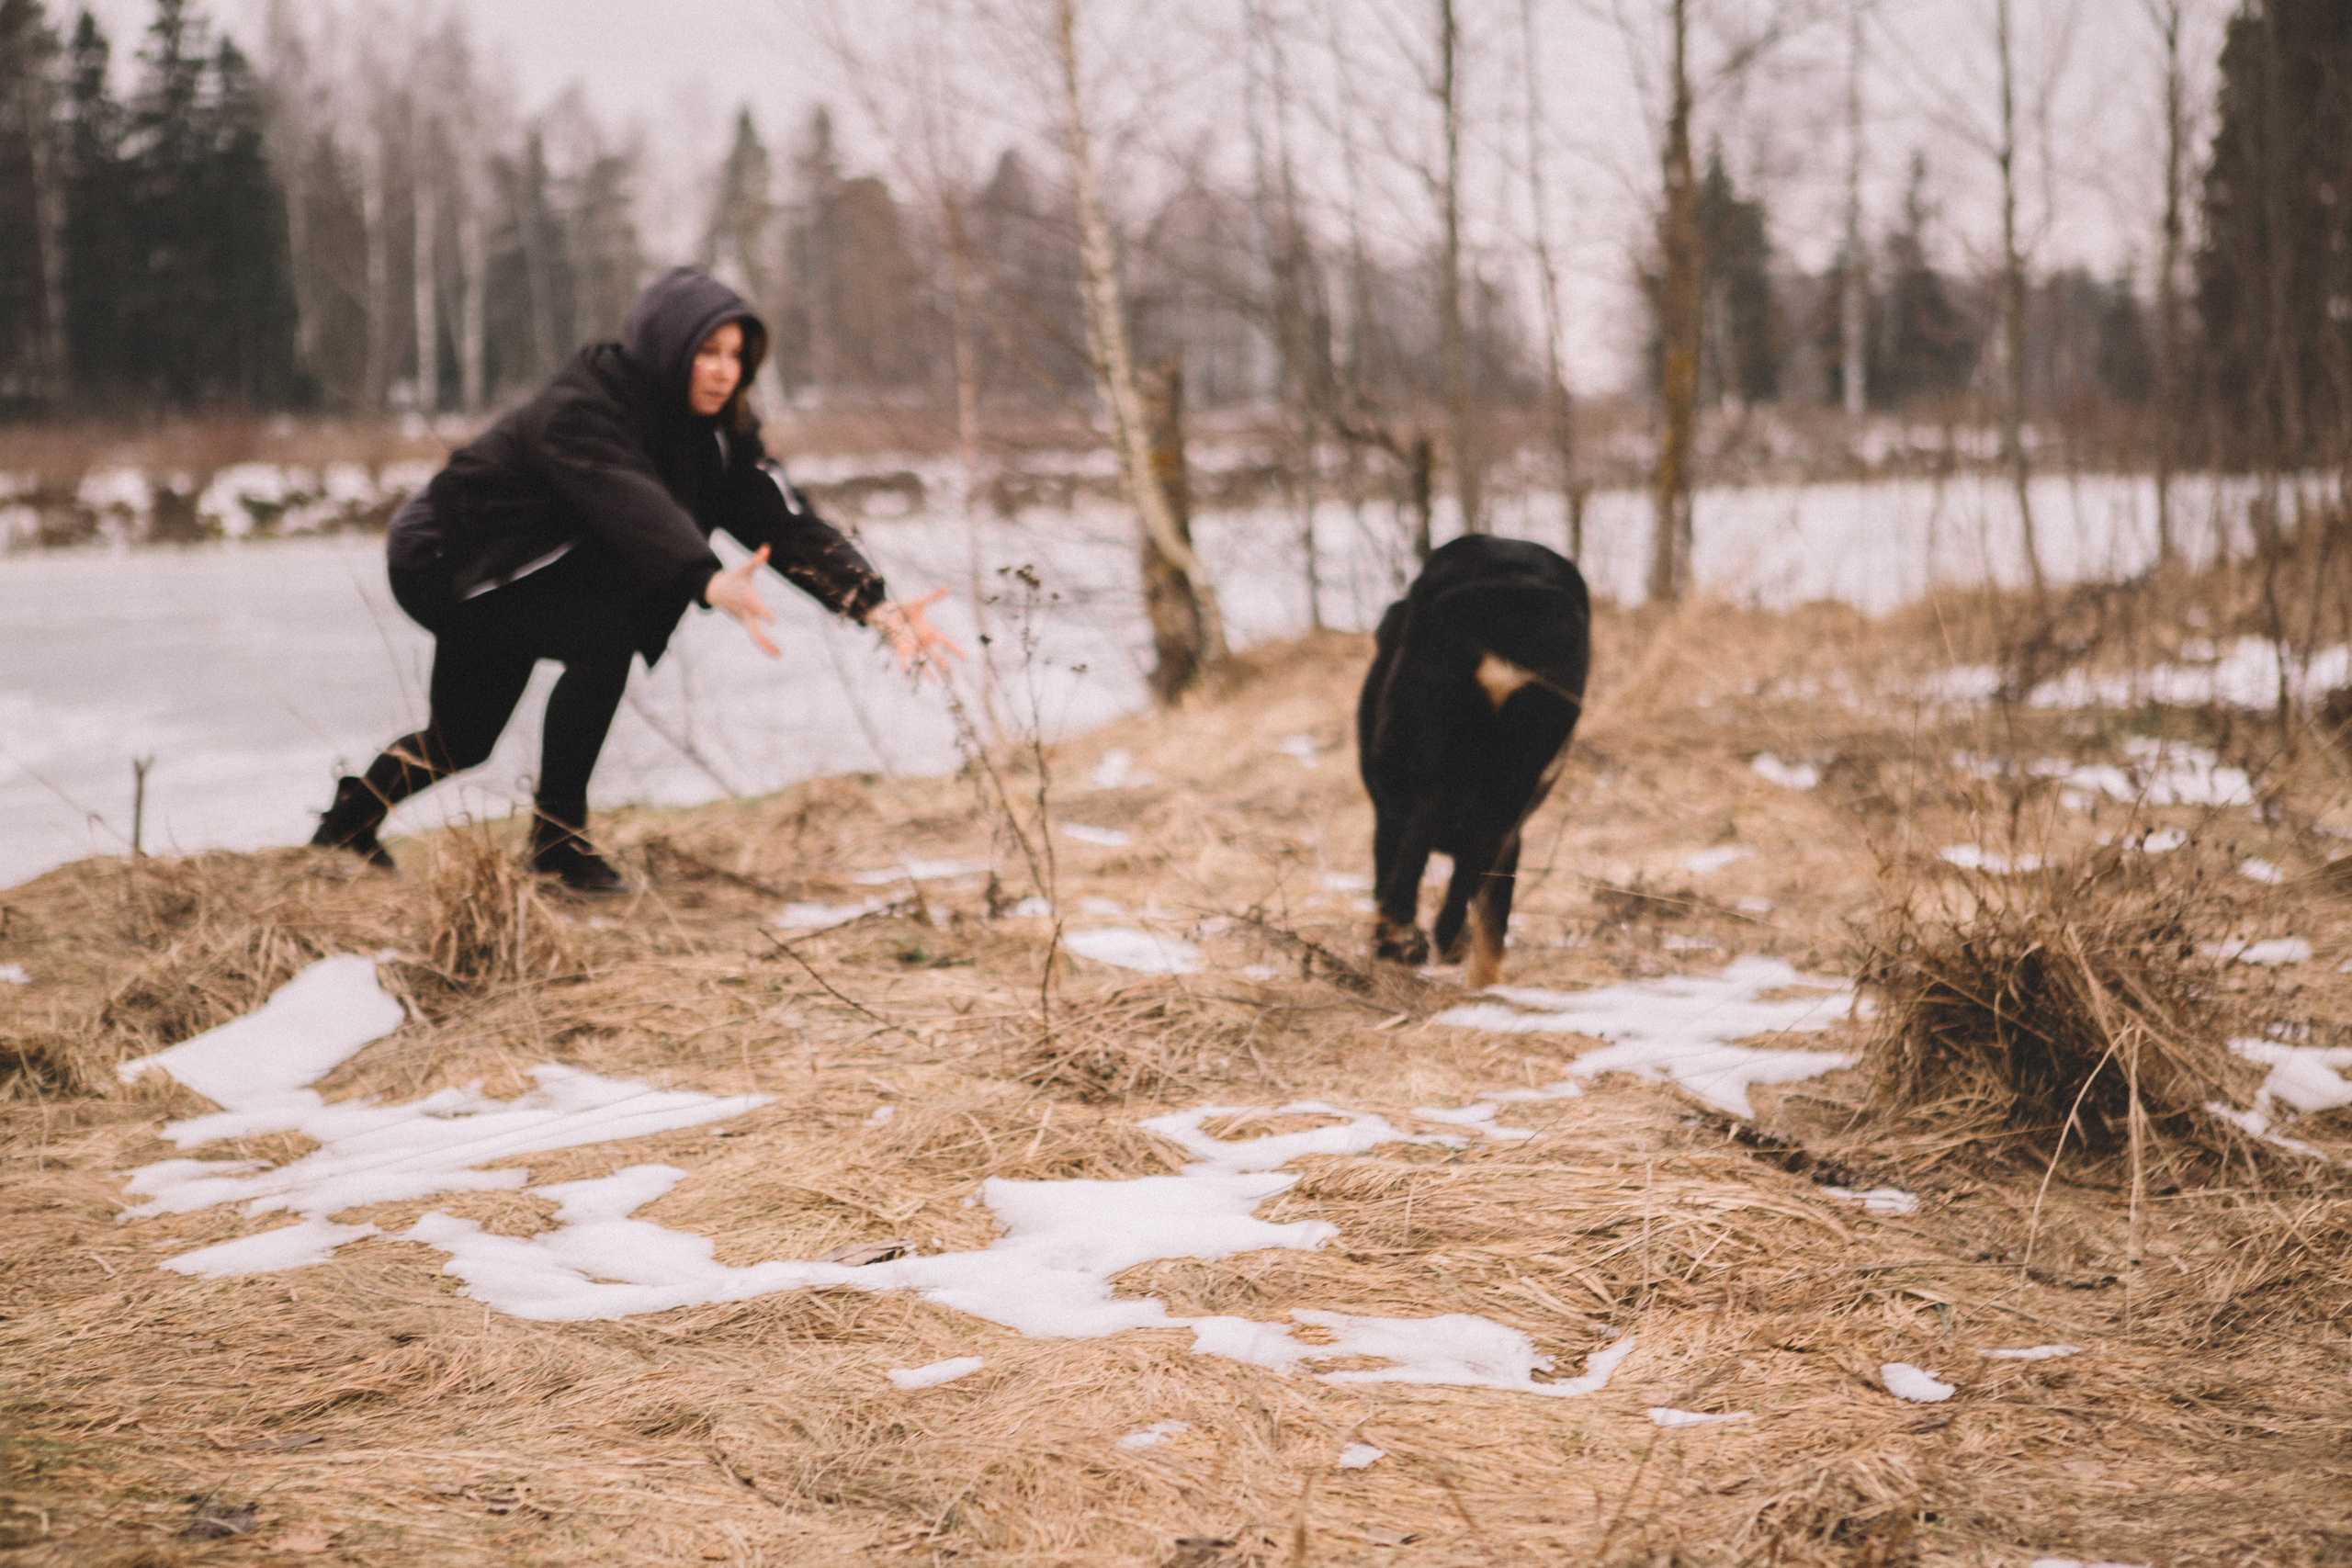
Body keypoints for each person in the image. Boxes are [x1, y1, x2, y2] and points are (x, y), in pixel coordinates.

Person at [310, 265, 962, 892]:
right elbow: (625, 496)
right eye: (708, 351)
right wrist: (703, 577)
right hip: (448, 559)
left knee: (463, 740)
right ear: (667, 347)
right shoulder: (582, 406)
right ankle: (558, 846)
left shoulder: (721, 436)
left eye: (737, 356)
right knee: (603, 639)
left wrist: (872, 603)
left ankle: (347, 826)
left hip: (519, 575)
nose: (725, 371)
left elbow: (783, 521)